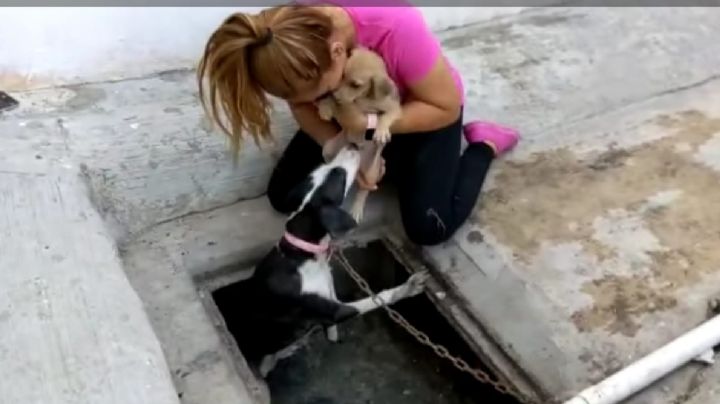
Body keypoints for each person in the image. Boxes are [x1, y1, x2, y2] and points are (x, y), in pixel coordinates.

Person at [197, 1, 519, 246]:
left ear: (338, 53)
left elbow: (444, 106)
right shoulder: (290, 35)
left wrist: (364, 133)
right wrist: (349, 149)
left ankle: (484, 144)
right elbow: (301, 104)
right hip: (347, 115)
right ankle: (397, 165)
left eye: (316, 90)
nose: (300, 101)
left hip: (417, 110)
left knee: (429, 229)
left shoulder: (394, 24)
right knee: (286, 197)